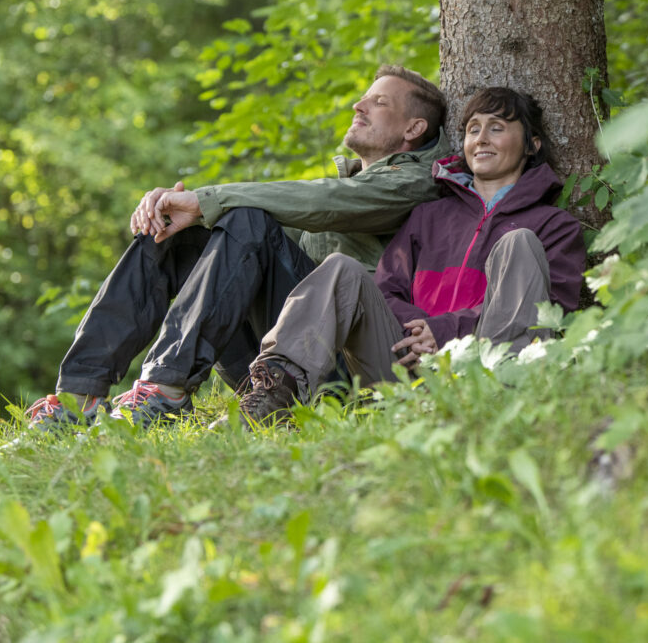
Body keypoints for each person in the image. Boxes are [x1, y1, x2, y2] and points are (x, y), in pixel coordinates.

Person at [23, 64, 449, 430]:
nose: (358, 106)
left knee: (246, 217)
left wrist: (206, 200)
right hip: (285, 360)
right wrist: (194, 217)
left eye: (378, 102)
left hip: (346, 367)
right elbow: (265, 246)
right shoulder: (354, 182)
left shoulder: (418, 181)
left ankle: (166, 390)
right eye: (363, 98)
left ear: (414, 128)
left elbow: (325, 203)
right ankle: (80, 395)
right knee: (180, 236)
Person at [230, 86, 586, 425]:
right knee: (341, 268)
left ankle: (497, 410)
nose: (481, 138)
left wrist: (445, 330)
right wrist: (420, 330)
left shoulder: (554, 227)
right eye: (473, 129)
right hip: (403, 373)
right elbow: (386, 289)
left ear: (531, 145)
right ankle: (272, 395)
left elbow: (546, 315)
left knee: (518, 242)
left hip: (487, 375)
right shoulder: (429, 215)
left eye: (497, 128)